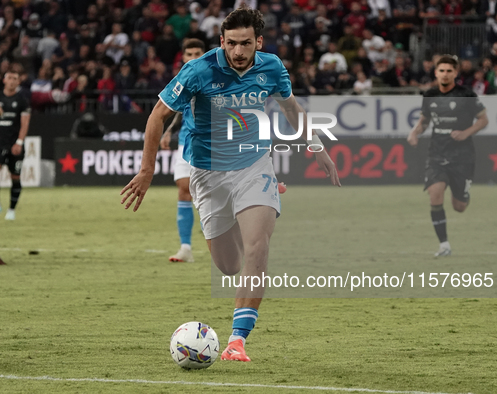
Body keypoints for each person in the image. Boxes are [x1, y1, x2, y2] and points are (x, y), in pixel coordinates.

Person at [121, 7, 340, 362]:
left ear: (259, 42)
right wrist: (147, 170)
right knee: (228, 265)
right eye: (232, 44)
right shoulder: (198, 70)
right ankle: (247, 213)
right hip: (207, 174)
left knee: (258, 247)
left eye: (246, 44)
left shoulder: (271, 67)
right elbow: (158, 116)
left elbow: (291, 109)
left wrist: (315, 145)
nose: (239, 51)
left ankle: (237, 340)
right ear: (221, 41)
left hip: (254, 165)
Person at [407, 55, 488, 257]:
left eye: (449, 71)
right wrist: (415, 131)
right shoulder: (430, 95)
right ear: (435, 73)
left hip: (462, 156)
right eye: (441, 70)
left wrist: (465, 133)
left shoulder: (466, 95)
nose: (445, 74)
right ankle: (444, 245)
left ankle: (464, 194)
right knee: (435, 195)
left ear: (455, 73)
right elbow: (425, 121)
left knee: (459, 206)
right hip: (437, 153)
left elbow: (483, 120)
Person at [159, 38, 205, 263]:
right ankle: (185, 247)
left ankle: (224, 243)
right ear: (183, 58)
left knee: (213, 196)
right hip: (186, 143)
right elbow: (177, 109)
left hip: (211, 145)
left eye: (198, 53)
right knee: (183, 189)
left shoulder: (212, 77)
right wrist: (168, 131)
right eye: (190, 54)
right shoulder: (181, 81)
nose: (194, 57)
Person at [0, 68, 31, 221]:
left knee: (15, 176)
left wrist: (19, 142)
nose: (12, 81)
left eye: (15, 78)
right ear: (4, 80)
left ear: (18, 82)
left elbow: (25, 123)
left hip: (15, 144)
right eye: (10, 78)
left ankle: (12, 209)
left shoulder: (22, 100)